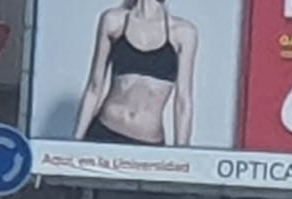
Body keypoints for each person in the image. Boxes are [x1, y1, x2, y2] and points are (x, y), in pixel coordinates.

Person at [75, 0, 199, 147]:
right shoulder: (113, 21)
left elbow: (183, 102)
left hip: (147, 143)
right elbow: (94, 87)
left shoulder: (183, 32)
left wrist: (183, 157)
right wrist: (75, 144)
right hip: (103, 133)